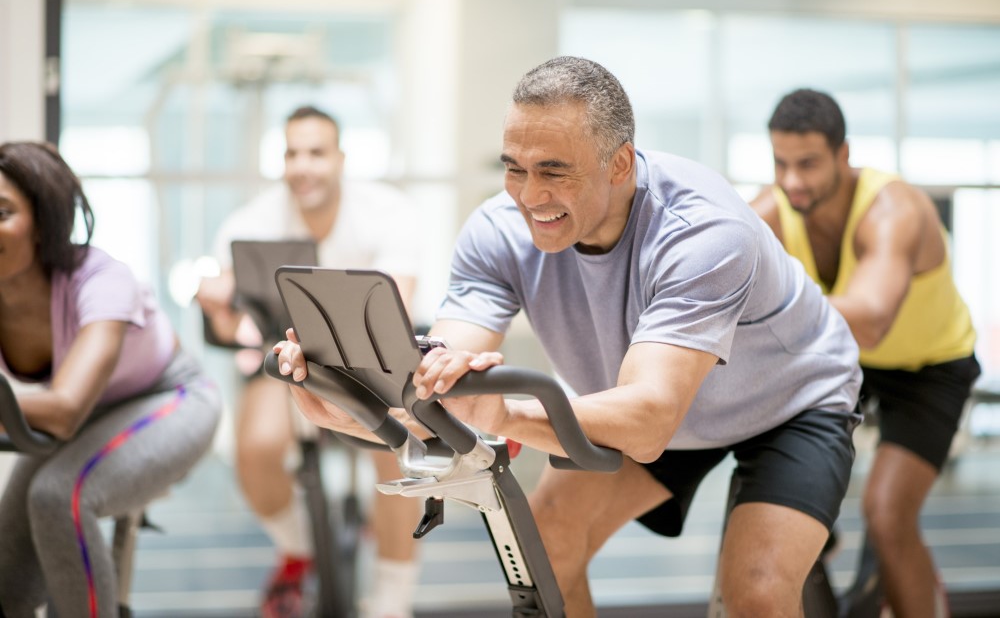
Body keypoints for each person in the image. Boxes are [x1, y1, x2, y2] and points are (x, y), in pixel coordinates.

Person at [274, 57, 864, 617]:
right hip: (641, 402)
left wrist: (502, 415)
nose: (529, 196)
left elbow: (651, 418)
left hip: (789, 404)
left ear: (621, 163)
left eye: (554, 170)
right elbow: (443, 374)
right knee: (547, 554)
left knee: (757, 596)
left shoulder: (703, 231)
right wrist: (362, 405)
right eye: (514, 167)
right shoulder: (497, 233)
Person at [750, 88, 981, 618]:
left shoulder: (894, 210)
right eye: (780, 164)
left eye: (807, 164)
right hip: (840, 360)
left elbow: (872, 319)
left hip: (930, 367)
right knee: (778, 494)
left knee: (886, 514)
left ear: (843, 154)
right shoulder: (772, 209)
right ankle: (819, 540)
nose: (792, 181)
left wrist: (768, 304)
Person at [196, 105, 423, 618]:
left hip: (367, 356)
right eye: (292, 153)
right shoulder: (247, 222)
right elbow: (236, 330)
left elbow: (399, 307)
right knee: (254, 448)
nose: (303, 166)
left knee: (398, 453)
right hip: (282, 356)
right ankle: (297, 549)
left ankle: (392, 601)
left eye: (316, 153)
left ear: (340, 158)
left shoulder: (389, 212)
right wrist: (219, 307)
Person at [0, 141, 222, 617]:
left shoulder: (100, 279)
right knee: (8, 584)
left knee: (59, 494)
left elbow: (63, 412)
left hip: (173, 396)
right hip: (95, 414)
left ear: (42, 223)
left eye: (2, 212)